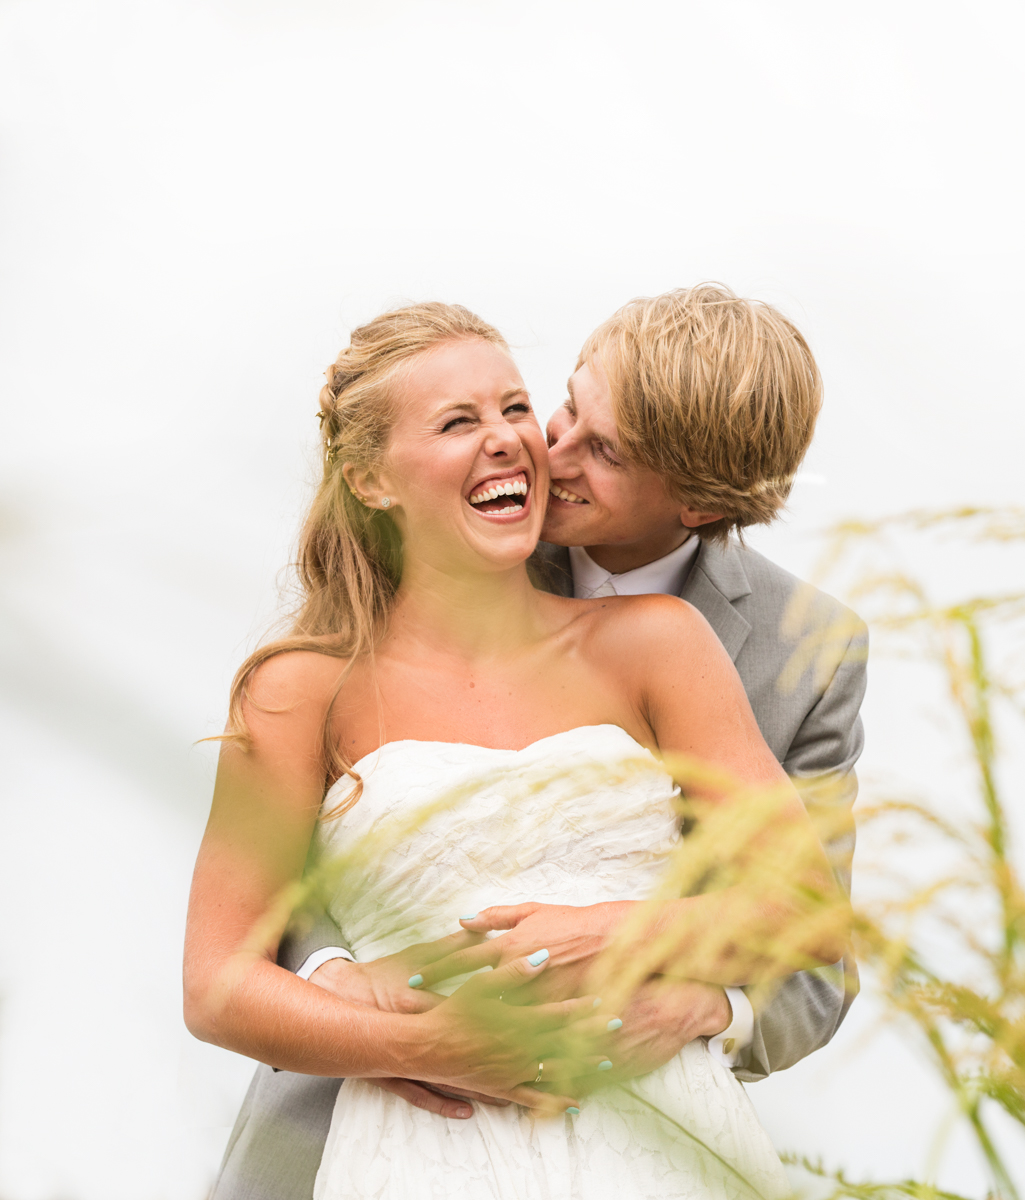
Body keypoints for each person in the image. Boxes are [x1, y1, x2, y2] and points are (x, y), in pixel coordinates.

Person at [188, 293, 863, 1199]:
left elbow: (811, 929)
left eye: (601, 448)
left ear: (695, 502)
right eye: (562, 407)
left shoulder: (707, 644)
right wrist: (396, 1020)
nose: (543, 444)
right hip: (389, 1129)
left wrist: (677, 988)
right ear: (370, 478)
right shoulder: (311, 677)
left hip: (649, 1119)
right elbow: (233, 959)